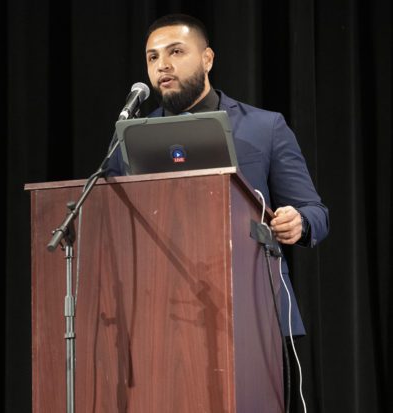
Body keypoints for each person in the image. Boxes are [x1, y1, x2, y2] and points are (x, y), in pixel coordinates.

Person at [107, 14, 329, 336]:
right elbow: (108, 215)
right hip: (157, 315)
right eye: (153, 57)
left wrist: (299, 221)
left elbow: (316, 213)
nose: (162, 65)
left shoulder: (265, 127)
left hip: (252, 308)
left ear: (207, 59)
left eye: (176, 52)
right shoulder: (130, 137)